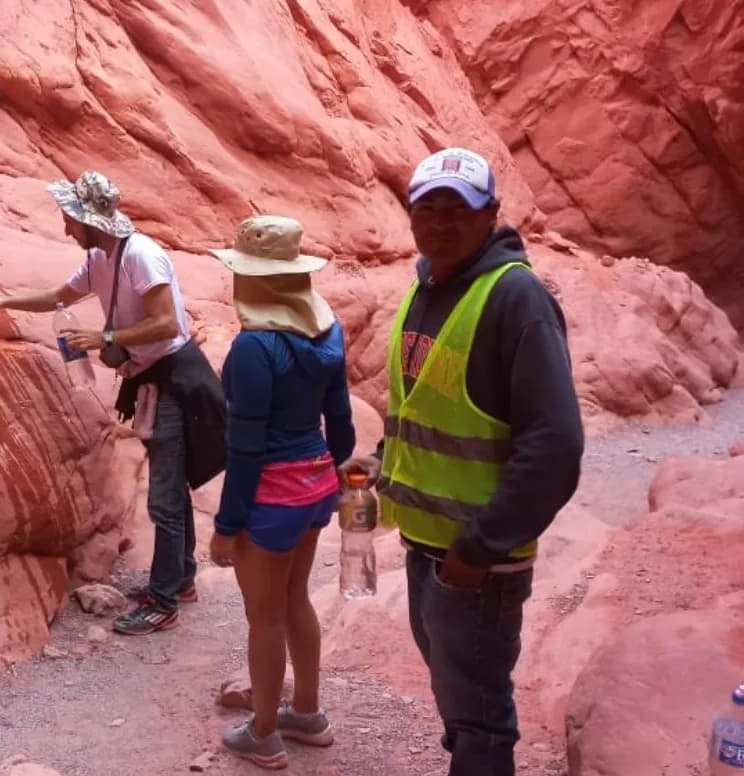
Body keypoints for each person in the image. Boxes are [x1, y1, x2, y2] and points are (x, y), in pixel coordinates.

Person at [342, 147, 585, 776]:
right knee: (460, 708)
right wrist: (382, 465)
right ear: (411, 215)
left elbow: (555, 445)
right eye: (428, 209)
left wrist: (479, 550)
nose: (441, 223)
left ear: (490, 215)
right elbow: (429, 407)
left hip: (478, 563)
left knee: (479, 720)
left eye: (459, 210)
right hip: (430, 549)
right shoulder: (428, 286)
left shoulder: (514, 299)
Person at [0, 170, 225, 637]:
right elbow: (58, 297)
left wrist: (107, 337)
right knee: (171, 481)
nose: (65, 228)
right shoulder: (101, 257)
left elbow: (165, 324)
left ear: (88, 219)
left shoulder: (140, 256)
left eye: (69, 220)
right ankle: (179, 580)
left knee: (164, 494)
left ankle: (164, 601)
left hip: (175, 379)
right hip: (150, 377)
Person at [206, 215, 356, 770]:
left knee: (264, 616)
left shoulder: (255, 347)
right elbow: (339, 418)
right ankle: (308, 714)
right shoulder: (328, 331)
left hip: (270, 499)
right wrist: (337, 472)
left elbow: (245, 449)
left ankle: (265, 732)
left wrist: (226, 526)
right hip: (315, 484)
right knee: (296, 600)